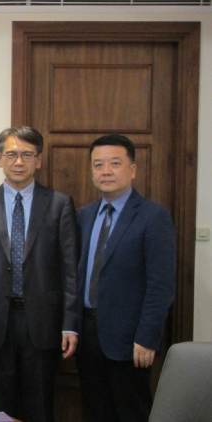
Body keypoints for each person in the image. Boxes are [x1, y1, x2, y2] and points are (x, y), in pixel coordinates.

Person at [0, 127, 78, 422]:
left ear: (38, 160)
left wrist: (70, 325)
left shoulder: (59, 204)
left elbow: (70, 269)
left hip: (43, 323)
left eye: (27, 155)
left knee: (40, 407)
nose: (18, 162)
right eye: (11, 154)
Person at [76, 134, 175, 422]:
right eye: (98, 165)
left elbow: (161, 286)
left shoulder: (153, 217)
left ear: (132, 170)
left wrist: (147, 338)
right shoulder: (83, 216)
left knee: (131, 413)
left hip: (131, 341)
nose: (105, 171)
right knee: (94, 412)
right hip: (87, 336)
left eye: (115, 163)